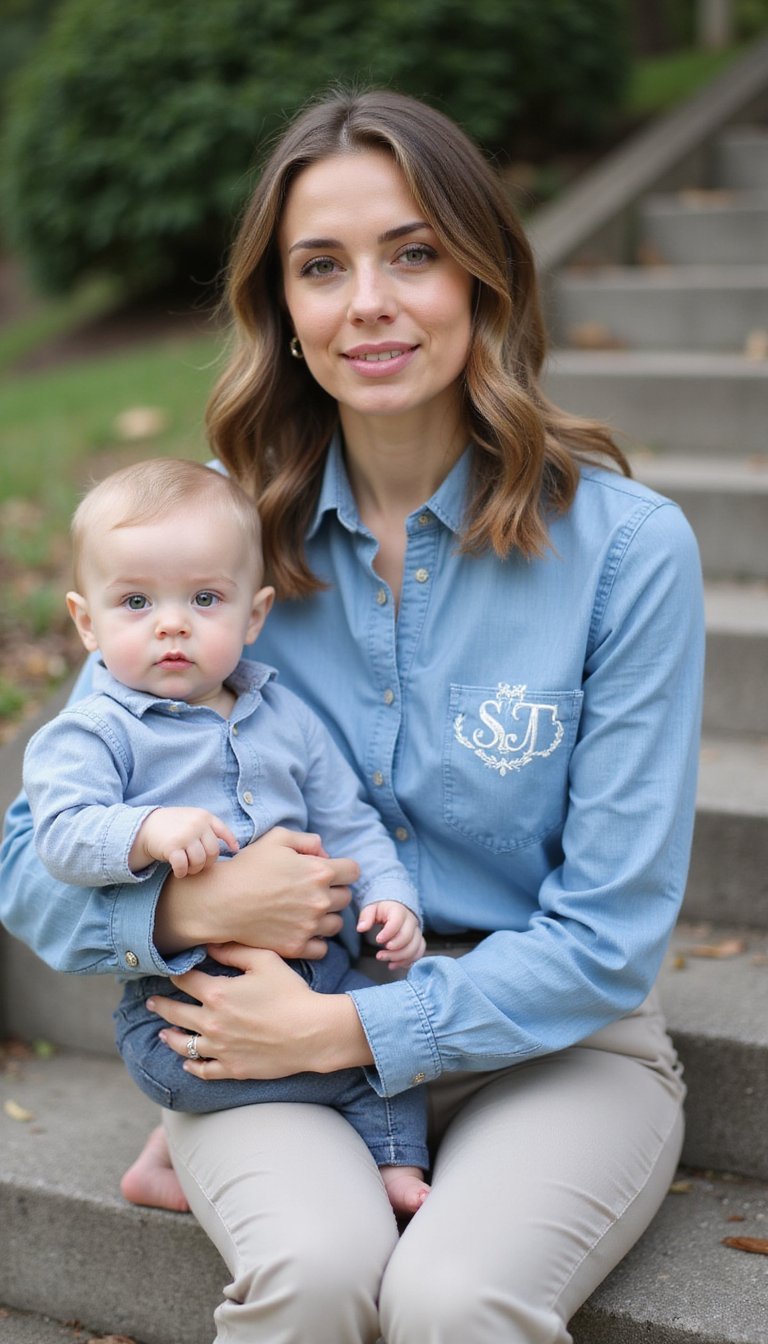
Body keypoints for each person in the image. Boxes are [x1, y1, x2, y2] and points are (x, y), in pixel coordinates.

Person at [0, 87, 705, 1344]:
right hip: (258, 1029)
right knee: (318, 1280)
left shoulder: (625, 550)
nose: (367, 301)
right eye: (321, 267)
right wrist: (182, 907)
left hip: (548, 1040)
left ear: (484, 276)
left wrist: (353, 1023)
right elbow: (28, 861)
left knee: (454, 1301)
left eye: (414, 253)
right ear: (284, 311)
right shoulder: (214, 539)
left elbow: (609, 936)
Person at [22, 456, 430, 1216]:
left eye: (205, 598)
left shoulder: (287, 719)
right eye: (136, 601)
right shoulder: (89, 734)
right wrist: (144, 829)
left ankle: (169, 1162)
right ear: (87, 622)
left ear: (254, 615)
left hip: (325, 977)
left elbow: (349, 822)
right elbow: (62, 837)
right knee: (381, 1059)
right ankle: (389, 1163)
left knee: (381, 1018)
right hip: (183, 1017)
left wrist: (392, 897)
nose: (171, 623)